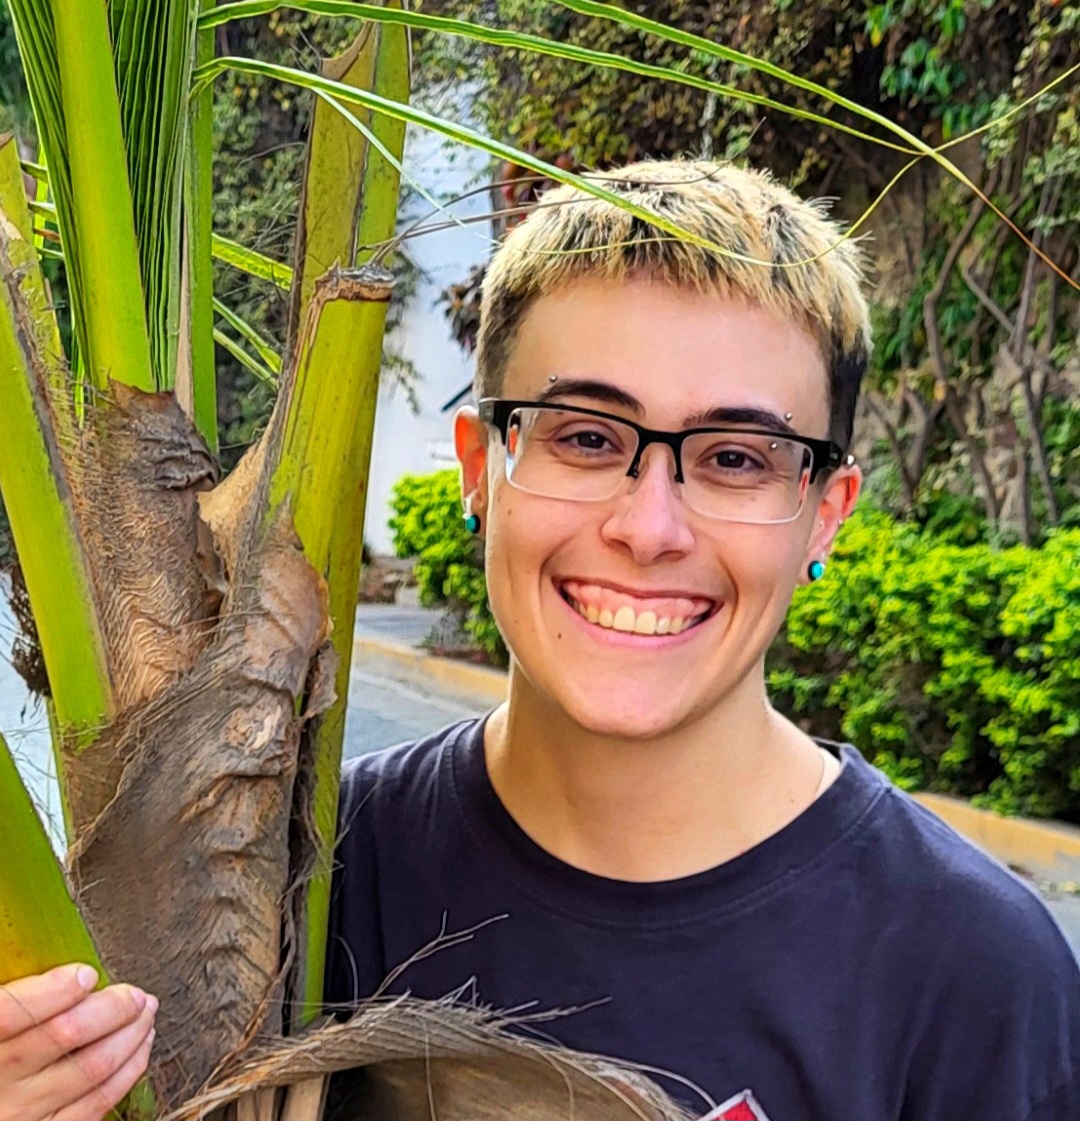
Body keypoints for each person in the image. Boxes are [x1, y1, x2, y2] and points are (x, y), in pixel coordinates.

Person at [3, 160, 1078, 1121]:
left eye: (738, 458)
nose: (649, 527)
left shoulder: (971, 972)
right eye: (587, 436)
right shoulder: (292, 869)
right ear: (480, 466)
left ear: (826, 512)